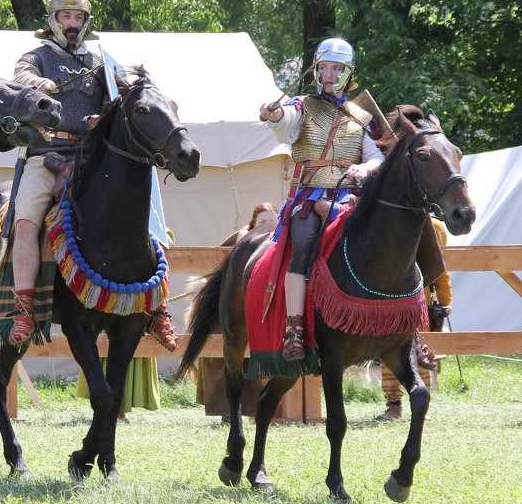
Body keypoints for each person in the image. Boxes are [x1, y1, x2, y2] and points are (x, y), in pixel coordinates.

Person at [9, 0, 178, 351]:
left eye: (78, 16)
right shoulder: (34, 57)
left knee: (144, 214)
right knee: (25, 223)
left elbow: (118, 99)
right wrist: (39, 84)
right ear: (53, 19)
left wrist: (130, 80)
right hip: (46, 154)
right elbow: (19, 80)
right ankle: (23, 307)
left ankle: (156, 307)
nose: (72, 23)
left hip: (92, 158)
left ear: (86, 21)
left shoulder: (100, 62)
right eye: (66, 16)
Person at [259, 38, 385, 361]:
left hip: (348, 198)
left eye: (336, 69)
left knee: (388, 239)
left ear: (347, 73)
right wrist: (273, 116)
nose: (329, 75)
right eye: (323, 67)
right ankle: (295, 329)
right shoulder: (303, 105)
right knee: (303, 244)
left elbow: (377, 159)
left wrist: (364, 168)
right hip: (310, 196)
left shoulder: (362, 117)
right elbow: (286, 122)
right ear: (315, 70)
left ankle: (404, 329)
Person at [193, 202, 280, 420]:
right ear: (253, 224)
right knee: (228, 355)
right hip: (234, 306)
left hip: (262, 306)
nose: (268, 226)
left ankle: (253, 408)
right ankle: (228, 411)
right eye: (263, 222)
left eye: (272, 221)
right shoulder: (244, 238)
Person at [376, 216, 452, 420]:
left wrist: (445, 303)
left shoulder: (435, 226)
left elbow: (440, 269)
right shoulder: (387, 222)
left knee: (421, 353)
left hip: (420, 301)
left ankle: (421, 405)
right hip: (389, 299)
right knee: (388, 353)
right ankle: (394, 405)